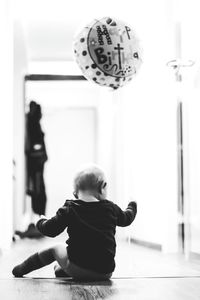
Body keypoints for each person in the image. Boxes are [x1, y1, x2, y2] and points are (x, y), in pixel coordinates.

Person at [12, 164, 137, 281]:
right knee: (72, 262)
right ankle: (65, 270)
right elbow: (127, 218)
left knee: (56, 248)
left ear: (75, 193)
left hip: (78, 267)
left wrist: (40, 221)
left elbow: (50, 230)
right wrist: (132, 205)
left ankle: (22, 269)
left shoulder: (70, 208)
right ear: (102, 187)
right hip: (105, 272)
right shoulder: (111, 209)